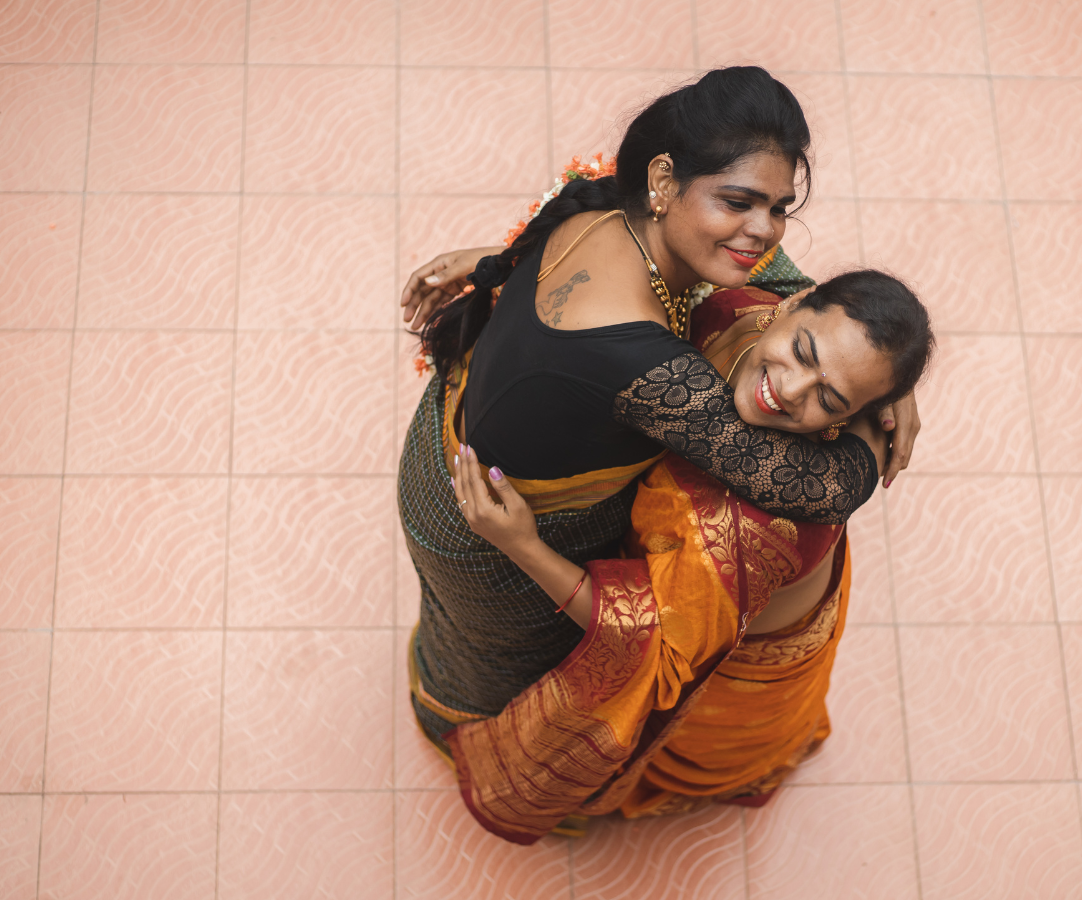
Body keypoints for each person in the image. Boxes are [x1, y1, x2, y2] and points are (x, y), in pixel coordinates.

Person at [397, 68, 921, 731]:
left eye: (779, 208)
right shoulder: (643, 365)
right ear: (666, 180)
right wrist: (868, 423)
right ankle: (450, 730)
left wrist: (878, 364)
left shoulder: (608, 201)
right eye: (738, 202)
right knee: (500, 673)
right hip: (483, 526)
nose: (763, 233)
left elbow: (779, 281)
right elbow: (814, 485)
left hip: (449, 442)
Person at [438, 271, 934, 843]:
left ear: (853, 419)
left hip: (734, 660)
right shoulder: (740, 303)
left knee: (697, 749)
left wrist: (521, 545)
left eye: (829, 398)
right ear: (792, 303)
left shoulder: (753, 530)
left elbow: (658, 642)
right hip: (735, 596)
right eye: (801, 351)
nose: (790, 391)